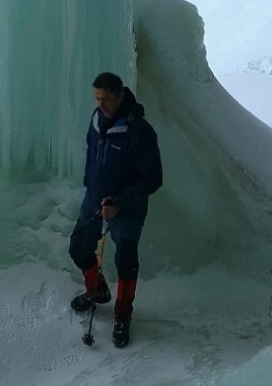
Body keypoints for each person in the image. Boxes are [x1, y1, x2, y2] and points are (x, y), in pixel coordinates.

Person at [68, 72, 163, 348]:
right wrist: (90, 183)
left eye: (106, 99)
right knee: (78, 247)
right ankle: (96, 290)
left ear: (121, 95)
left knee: (126, 260)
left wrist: (120, 202)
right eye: (97, 98)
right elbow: (91, 151)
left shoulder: (140, 132)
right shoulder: (96, 120)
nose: (101, 104)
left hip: (127, 209)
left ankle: (123, 313)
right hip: (94, 200)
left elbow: (153, 178)